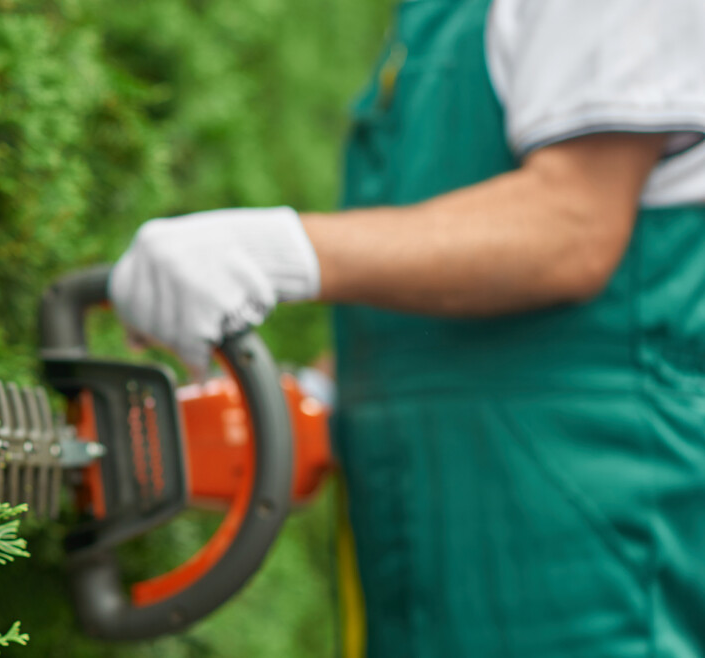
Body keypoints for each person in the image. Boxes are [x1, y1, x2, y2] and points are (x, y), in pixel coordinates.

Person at [107, 1, 705, 656]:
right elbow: (437, 279)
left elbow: (576, 223)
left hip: (581, 531)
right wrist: (314, 402)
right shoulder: (441, 16)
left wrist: (278, 249)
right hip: (428, 533)